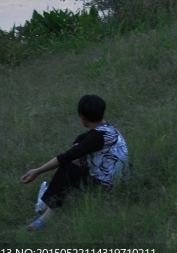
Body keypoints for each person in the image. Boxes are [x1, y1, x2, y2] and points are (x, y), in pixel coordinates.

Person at [20, 94, 129, 230]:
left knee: (67, 167)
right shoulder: (109, 129)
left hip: (106, 187)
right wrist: (78, 146)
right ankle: (52, 199)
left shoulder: (96, 137)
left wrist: (37, 171)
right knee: (77, 159)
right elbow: (83, 138)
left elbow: (65, 157)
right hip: (121, 181)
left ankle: (45, 218)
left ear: (81, 116)